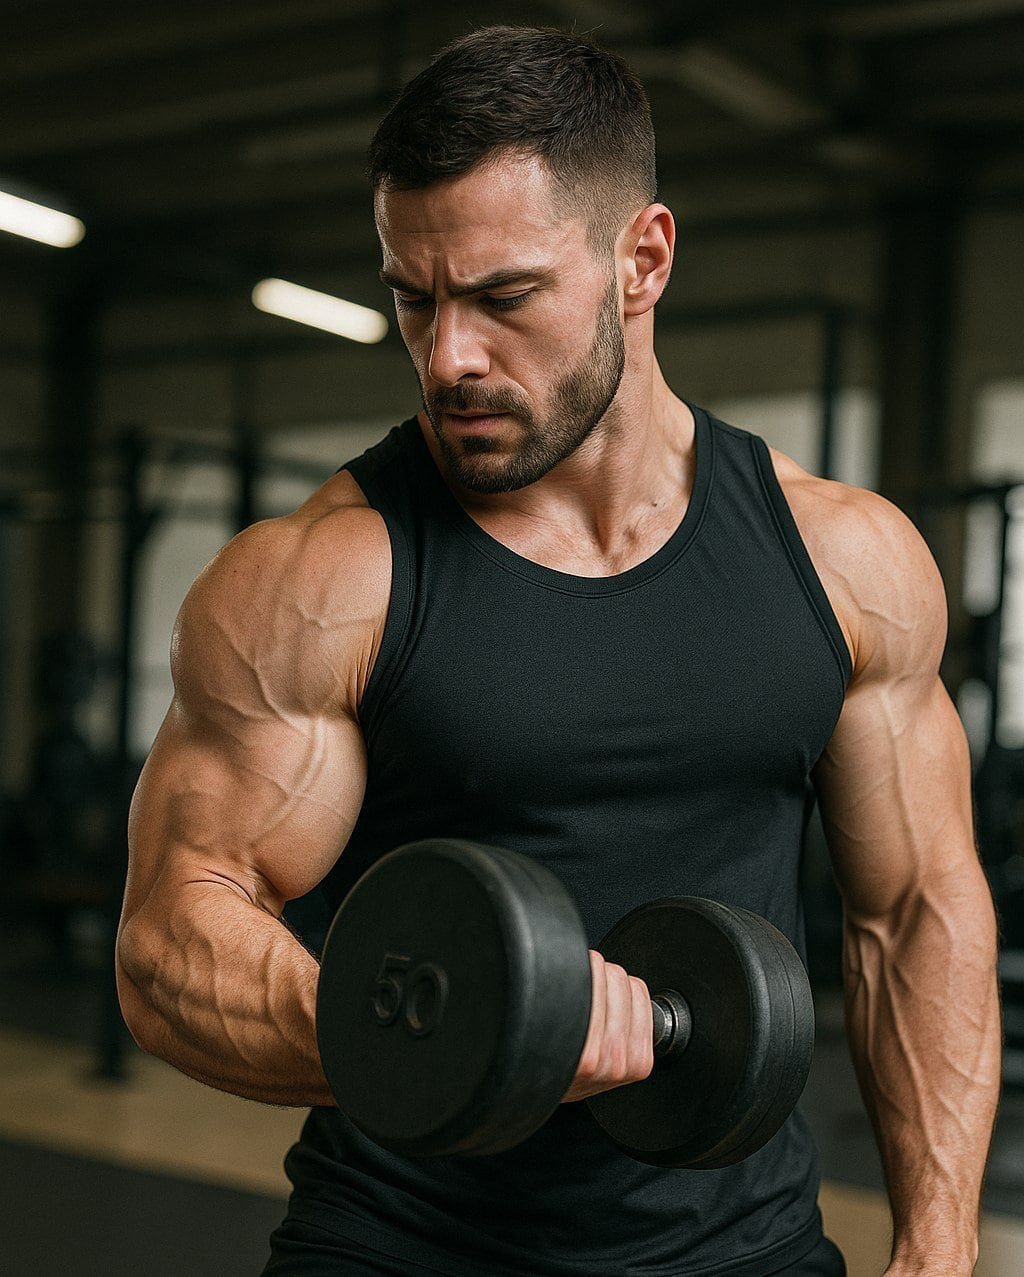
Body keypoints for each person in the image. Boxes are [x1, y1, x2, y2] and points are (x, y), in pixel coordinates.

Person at [115, 23, 1001, 1277]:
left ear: (642, 259)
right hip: (399, 1245)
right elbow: (169, 944)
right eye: (412, 300)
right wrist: (455, 1027)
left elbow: (914, 909)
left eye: (501, 296)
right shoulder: (324, 577)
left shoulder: (844, 561)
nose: (447, 357)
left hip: (745, 1250)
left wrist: (941, 1244)